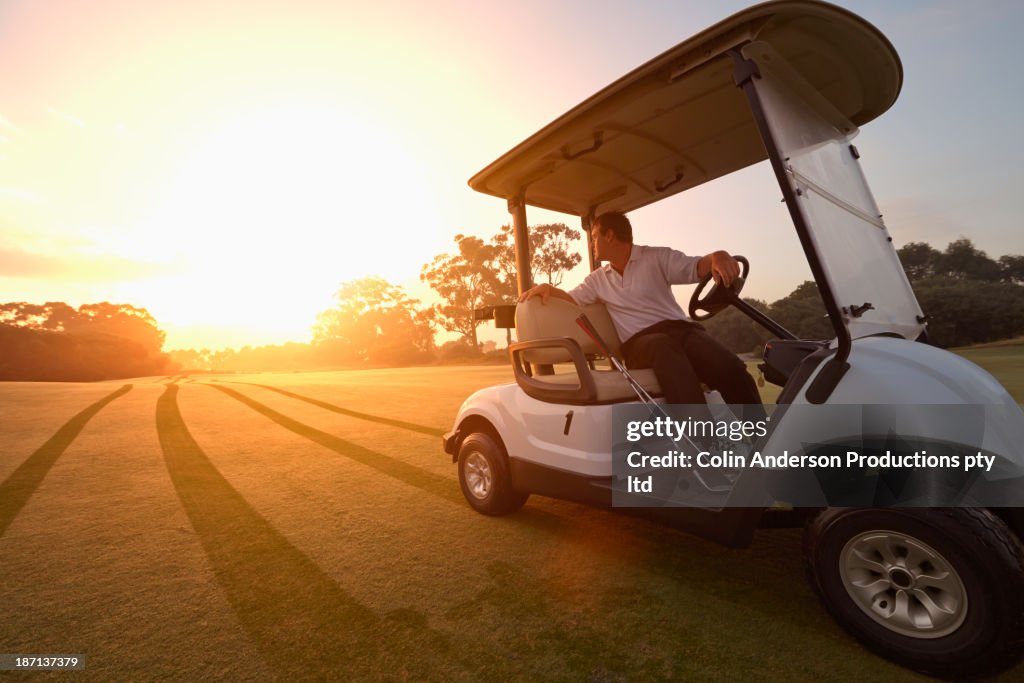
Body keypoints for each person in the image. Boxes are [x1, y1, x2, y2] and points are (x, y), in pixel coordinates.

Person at [517, 211, 761, 408]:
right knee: (663, 346)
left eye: (594, 237)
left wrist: (718, 256)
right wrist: (547, 287)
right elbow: (572, 299)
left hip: (681, 331)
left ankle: (764, 444)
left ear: (609, 236)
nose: (592, 244)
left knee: (730, 367)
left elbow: (695, 267)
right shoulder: (597, 280)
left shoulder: (656, 257)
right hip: (640, 343)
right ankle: (701, 446)